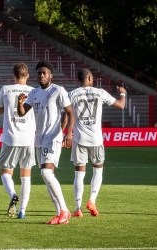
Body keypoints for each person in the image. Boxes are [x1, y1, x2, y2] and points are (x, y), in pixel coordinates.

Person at [17, 60, 74, 225]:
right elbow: (22, 113)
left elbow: (70, 113)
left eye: (44, 73)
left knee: (46, 173)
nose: (41, 75)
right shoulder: (34, 93)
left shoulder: (58, 90)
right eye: (39, 73)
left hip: (53, 137)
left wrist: (68, 133)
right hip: (40, 139)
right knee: (47, 176)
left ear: (51, 75)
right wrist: (19, 102)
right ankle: (60, 214)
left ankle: (64, 210)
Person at [68, 68, 126, 217]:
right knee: (98, 170)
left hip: (79, 139)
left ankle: (77, 209)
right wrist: (123, 93)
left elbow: (67, 114)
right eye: (92, 77)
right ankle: (92, 200)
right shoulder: (99, 92)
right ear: (88, 78)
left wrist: (67, 132)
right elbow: (121, 105)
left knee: (79, 174)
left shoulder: (72, 94)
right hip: (96, 139)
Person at [0, 63, 36, 219]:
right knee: (26, 175)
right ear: (28, 76)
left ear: (13, 76)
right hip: (28, 138)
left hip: (10, 137)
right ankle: (23, 211)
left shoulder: (6, 89)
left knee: (6, 171)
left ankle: (12, 193)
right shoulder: (33, 91)